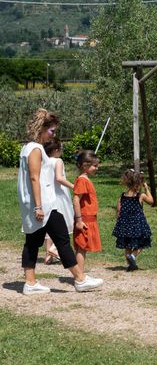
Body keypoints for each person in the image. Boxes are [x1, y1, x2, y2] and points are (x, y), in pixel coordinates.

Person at [17, 108, 103, 294]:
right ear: (41, 128)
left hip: (40, 205)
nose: (53, 135)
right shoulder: (35, 149)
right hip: (44, 206)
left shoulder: (29, 148)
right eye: (52, 131)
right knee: (62, 239)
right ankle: (80, 279)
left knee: (33, 242)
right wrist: (39, 206)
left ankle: (30, 283)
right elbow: (34, 178)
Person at [112, 169, 153, 272]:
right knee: (142, 242)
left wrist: (119, 222)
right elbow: (151, 201)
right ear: (138, 184)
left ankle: (130, 265)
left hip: (125, 225)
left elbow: (118, 210)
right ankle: (133, 256)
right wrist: (147, 189)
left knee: (127, 246)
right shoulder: (140, 196)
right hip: (137, 225)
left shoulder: (122, 196)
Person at [42, 137, 74, 264]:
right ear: (56, 150)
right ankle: (54, 249)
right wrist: (73, 186)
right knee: (65, 223)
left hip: (47, 195)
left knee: (50, 225)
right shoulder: (58, 161)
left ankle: (48, 254)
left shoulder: (43, 161)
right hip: (58, 195)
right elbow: (59, 178)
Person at [73, 150, 102, 274]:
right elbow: (75, 200)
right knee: (81, 247)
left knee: (83, 248)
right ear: (85, 166)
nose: (97, 168)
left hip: (89, 219)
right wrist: (79, 220)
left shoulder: (85, 179)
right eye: (94, 166)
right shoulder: (82, 180)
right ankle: (79, 276)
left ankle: (80, 274)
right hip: (84, 220)